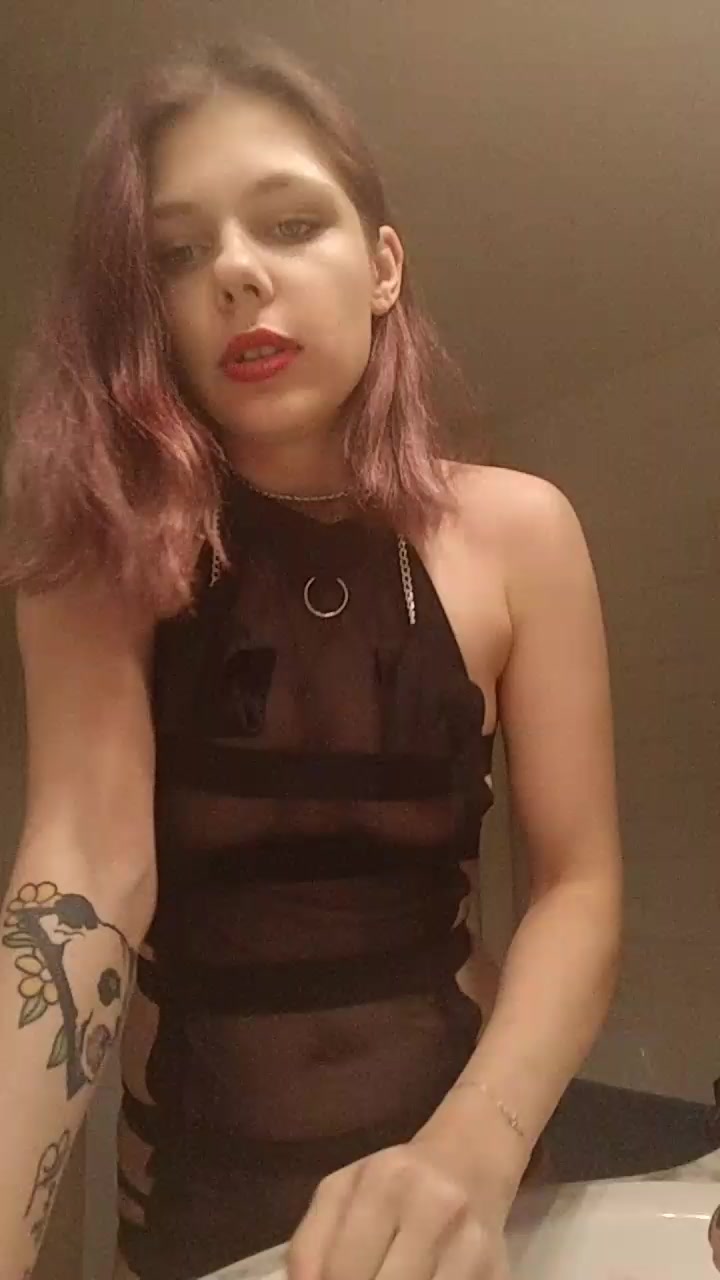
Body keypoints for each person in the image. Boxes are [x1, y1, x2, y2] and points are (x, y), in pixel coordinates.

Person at [0, 38, 622, 1280]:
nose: (236, 271)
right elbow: (84, 867)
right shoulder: (96, 543)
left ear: (382, 265)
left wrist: (471, 1152)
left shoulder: (523, 532)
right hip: (190, 1203)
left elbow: (577, 884)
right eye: (178, 252)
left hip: (470, 1189)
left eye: (289, 223)